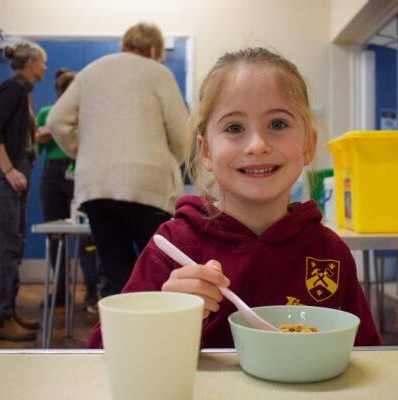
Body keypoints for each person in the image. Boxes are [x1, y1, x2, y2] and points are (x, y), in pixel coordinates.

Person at [87, 47, 380, 348]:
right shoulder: (173, 247)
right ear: (206, 152)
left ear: (308, 145)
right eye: (234, 127)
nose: (257, 145)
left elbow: (368, 355)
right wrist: (165, 313)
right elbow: (100, 351)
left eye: (277, 124)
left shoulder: (330, 252)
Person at [48, 22, 188, 297]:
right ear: (152, 49)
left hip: (97, 187)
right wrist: (174, 159)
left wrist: (84, 151)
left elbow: (55, 121)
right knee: (159, 272)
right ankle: (156, 335)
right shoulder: (159, 73)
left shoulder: (90, 72)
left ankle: (118, 337)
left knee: (117, 274)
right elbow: (183, 135)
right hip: (148, 186)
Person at [0, 42, 47, 341]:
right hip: (1, 180)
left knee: (12, 247)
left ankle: (8, 311)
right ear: (30, 62)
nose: (45, 68)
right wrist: (8, 170)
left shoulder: (22, 92)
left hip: (11, 179)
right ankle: (0, 319)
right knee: (3, 250)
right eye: (42, 62)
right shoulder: (15, 89)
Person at [35, 68, 100, 312]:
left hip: (79, 171)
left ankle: (92, 291)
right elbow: (37, 147)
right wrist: (40, 137)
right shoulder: (45, 114)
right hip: (52, 174)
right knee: (55, 235)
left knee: (88, 236)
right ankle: (61, 292)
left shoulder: (86, 114)